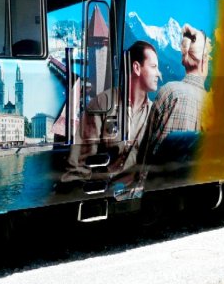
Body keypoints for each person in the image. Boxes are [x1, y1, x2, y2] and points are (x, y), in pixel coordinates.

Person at [60, 40, 160, 183]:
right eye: (154, 67)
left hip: (133, 197)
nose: (158, 74)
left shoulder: (154, 113)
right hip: (101, 193)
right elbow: (78, 168)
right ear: (137, 68)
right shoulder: (102, 104)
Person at [141, 23, 211, 163]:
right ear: (204, 61)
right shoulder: (214, 105)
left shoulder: (168, 92)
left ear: (184, 59)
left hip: (160, 181)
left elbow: (145, 153)